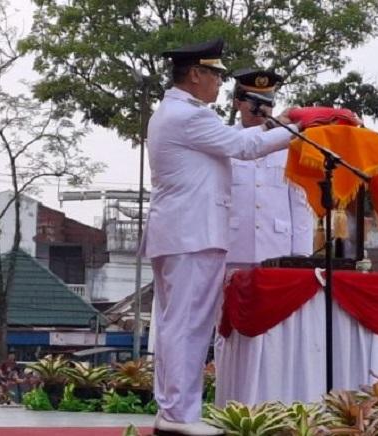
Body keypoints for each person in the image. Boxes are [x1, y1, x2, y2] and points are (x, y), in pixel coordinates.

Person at [140, 38, 301, 436]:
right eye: (214, 74)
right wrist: (300, 128)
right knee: (188, 325)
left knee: (177, 323)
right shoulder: (190, 116)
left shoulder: (176, 111)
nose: (217, 83)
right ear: (195, 74)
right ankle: (179, 415)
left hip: (182, 231)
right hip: (192, 233)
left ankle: (172, 411)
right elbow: (246, 146)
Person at [226, 68, 313, 268]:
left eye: (267, 103)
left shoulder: (288, 144)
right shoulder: (226, 141)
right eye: (255, 103)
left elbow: (300, 202)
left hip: (277, 249)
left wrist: (301, 254)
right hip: (233, 249)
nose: (262, 109)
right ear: (238, 103)